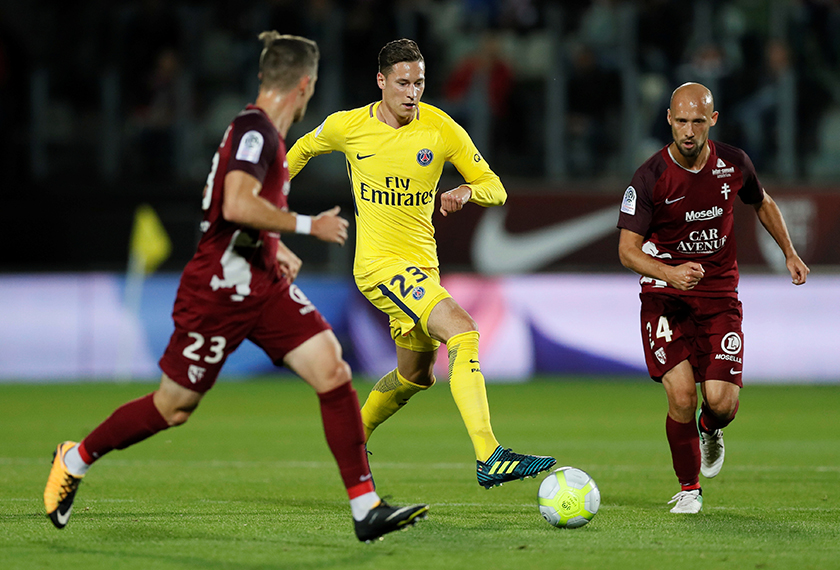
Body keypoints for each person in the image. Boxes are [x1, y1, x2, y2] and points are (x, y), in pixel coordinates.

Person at [43, 32, 428, 543]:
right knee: (173, 406)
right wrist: (305, 227)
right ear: (305, 84)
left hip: (261, 281)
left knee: (332, 369)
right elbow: (236, 204)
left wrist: (275, 246)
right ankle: (75, 458)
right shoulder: (256, 132)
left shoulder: (263, 132)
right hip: (218, 289)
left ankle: (365, 507)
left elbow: (246, 217)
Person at [287, 38, 556, 489]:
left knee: (415, 377)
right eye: (403, 83)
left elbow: (496, 187)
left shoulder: (440, 128)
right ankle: (490, 455)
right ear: (381, 81)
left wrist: (466, 191)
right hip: (377, 266)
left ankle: (352, 436)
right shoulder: (348, 126)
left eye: (420, 82)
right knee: (464, 329)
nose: (413, 92)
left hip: (420, 269)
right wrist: (269, 193)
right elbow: (302, 150)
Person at [617, 82, 810, 514]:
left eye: (697, 121)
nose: (688, 131)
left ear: (713, 120)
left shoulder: (734, 164)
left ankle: (710, 428)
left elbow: (761, 202)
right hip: (665, 298)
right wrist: (669, 273)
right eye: (681, 121)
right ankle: (689, 489)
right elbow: (627, 251)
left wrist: (790, 252)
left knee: (721, 403)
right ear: (668, 119)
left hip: (720, 296)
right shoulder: (649, 176)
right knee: (682, 395)